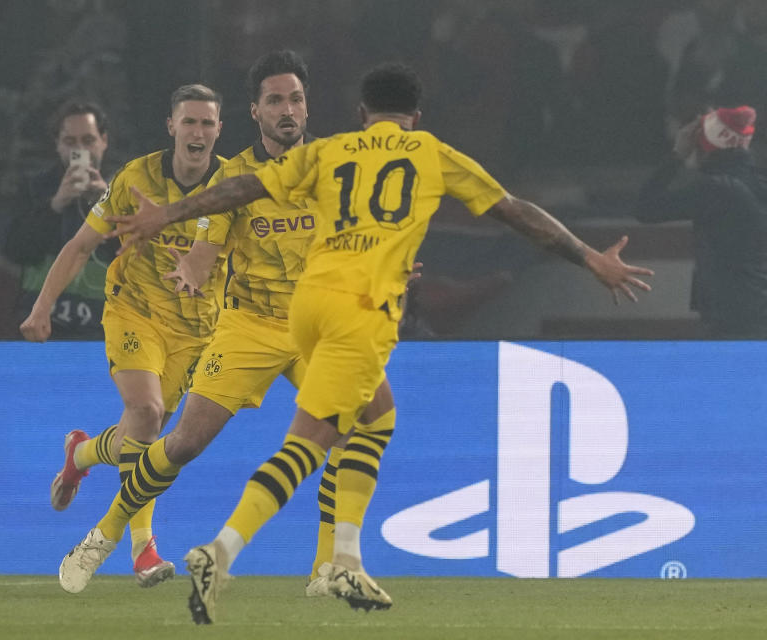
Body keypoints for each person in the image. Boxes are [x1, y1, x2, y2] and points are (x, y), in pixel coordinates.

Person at [107, 63, 653, 623]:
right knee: (310, 444)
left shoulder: (330, 151)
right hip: (358, 311)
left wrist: (169, 213)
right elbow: (517, 213)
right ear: (415, 117)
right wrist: (589, 257)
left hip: (306, 304)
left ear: (362, 114)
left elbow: (243, 186)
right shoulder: (431, 152)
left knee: (372, 417)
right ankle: (221, 553)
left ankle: (344, 557)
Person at [54, 49, 400, 600]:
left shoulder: (338, 167)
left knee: (351, 429)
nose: (287, 108)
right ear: (255, 112)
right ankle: (103, 534)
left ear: (306, 107)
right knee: (185, 442)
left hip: (318, 328)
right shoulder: (236, 177)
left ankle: (325, 571)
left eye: (296, 98)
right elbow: (207, 243)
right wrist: (193, 263)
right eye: (275, 100)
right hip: (250, 328)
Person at [20, 84, 227, 590]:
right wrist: (42, 307)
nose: (197, 132)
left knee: (145, 433)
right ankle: (143, 547)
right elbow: (81, 244)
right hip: (134, 311)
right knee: (149, 414)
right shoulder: (134, 179)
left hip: (197, 330)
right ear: (171, 127)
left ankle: (82, 454)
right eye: (189, 122)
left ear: (219, 130)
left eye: (206, 123)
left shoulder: (233, 188)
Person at [635, 106, 767, 338]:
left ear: (706, 145)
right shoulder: (758, 184)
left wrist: (676, 155)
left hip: (730, 318)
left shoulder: (715, 188)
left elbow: (645, 208)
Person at [4, 100, 116, 339]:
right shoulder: (34, 188)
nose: (80, 150)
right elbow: (15, 250)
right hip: (44, 324)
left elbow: (144, 253)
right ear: (57, 145)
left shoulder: (127, 186)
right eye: (70, 142)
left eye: (88, 141)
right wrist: (55, 205)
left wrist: (108, 203)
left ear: (103, 141)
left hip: (107, 325)